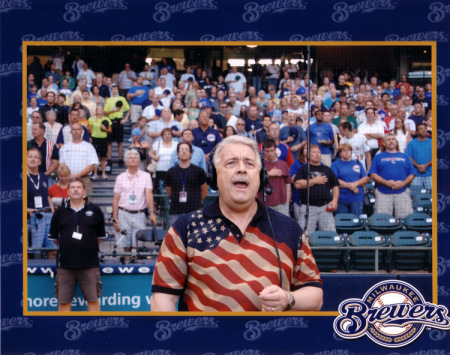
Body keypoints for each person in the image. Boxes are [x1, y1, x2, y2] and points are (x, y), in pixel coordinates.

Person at [151, 135, 323, 312]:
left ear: (261, 176)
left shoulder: (290, 229)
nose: (242, 169)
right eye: (231, 163)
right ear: (214, 175)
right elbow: (163, 300)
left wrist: (289, 298)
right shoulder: (184, 228)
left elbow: (315, 295)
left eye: (249, 164)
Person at [49, 178, 106, 311]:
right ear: (68, 191)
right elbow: (54, 238)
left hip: (89, 265)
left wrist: (86, 245)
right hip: (65, 265)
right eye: (72, 187)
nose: (75, 190)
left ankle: (95, 331)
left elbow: (99, 237)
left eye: (79, 187)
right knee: (63, 303)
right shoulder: (59, 212)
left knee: (93, 301)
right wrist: (69, 245)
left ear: (84, 191)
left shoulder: (95, 210)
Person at [112, 149, 158, 254]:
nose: (133, 159)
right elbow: (116, 198)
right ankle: (127, 265)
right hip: (123, 213)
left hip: (139, 214)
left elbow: (149, 195)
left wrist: (152, 212)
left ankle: (135, 264)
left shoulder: (146, 176)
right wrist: (115, 218)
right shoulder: (120, 178)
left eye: (135, 157)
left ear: (139, 161)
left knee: (137, 244)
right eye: (130, 158)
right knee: (126, 244)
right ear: (126, 161)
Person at [294, 145, 339, 237]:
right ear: (308, 155)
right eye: (314, 152)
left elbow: (335, 185)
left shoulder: (327, 169)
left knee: (330, 235)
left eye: (318, 152)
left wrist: (334, 200)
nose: (317, 154)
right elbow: (297, 184)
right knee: (303, 236)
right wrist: (314, 181)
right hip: (308, 208)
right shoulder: (303, 169)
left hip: (325, 208)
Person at [368, 133, 415, 218]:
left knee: (404, 219)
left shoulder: (405, 156)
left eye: (393, 139)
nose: (391, 141)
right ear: (384, 143)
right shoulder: (378, 157)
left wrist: (403, 183)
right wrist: (386, 183)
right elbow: (373, 174)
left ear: (396, 142)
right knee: (382, 220)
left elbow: (412, 174)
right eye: (388, 139)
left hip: (402, 191)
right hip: (383, 192)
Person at [165, 142, 209, 226]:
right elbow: (169, 191)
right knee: (176, 238)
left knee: (194, 238)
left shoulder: (199, 171)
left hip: (194, 211)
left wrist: (195, 201)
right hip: (175, 212)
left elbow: (204, 191)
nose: (184, 152)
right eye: (181, 150)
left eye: (186, 150)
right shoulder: (171, 171)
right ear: (177, 153)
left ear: (190, 153)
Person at [27, 148, 56, 259]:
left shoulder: (43, 176)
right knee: (35, 252)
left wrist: (52, 210)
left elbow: (47, 195)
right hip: (32, 217)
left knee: (52, 249)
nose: (33, 159)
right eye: (30, 156)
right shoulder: (22, 177)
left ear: (40, 161)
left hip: (48, 216)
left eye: (36, 157)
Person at [58, 123, 99, 195]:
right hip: (67, 180)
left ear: (82, 131)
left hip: (84, 179)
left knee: (86, 203)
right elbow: (62, 165)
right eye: (74, 129)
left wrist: (77, 175)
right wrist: (68, 176)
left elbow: (92, 165)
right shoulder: (65, 148)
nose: (76, 131)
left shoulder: (89, 147)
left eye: (78, 129)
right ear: (71, 132)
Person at [331, 143, 370, 216]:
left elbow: (365, 179)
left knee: (356, 221)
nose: (346, 152)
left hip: (357, 198)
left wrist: (355, 184)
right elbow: (334, 180)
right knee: (342, 221)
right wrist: (351, 187)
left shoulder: (357, 163)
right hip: (341, 198)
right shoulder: (335, 164)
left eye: (348, 150)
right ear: (339, 153)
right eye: (344, 150)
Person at [257, 139, 291, 216]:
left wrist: (287, 201)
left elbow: (288, 183)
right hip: (264, 203)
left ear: (275, 150)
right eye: (267, 151)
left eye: (272, 151)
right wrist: (269, 174)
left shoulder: (283, 164)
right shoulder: (259, 165)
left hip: (281, 203)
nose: (270, 153)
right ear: (263, 151)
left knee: (282, 226)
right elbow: (254, 180)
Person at [104, 84, 130, 167]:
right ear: (111, 90)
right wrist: (113, 111)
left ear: (118, 90)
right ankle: (109, 159)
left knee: (120, 142)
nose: (114, 90)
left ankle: (120, 159)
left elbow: (128, 109)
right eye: (113, 89)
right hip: (111, 121)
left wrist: (125, 119)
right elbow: (105, 113)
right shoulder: (108, 100)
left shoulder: (122, 99)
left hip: (119, 121)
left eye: (116, 89)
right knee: (110, 142)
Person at [405, 123, 432, 189]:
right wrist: (418, 166)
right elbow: (408, 157)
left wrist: (425, 166)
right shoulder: (411, 143)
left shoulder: (432, 142)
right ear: (417, 132)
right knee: (416, 195)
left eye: (425, 128)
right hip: (416, 174)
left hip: (430, 174)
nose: (423, 130)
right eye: (421, 129)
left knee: (432, 196)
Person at [88, 105, 112, 179]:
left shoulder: (106, 119)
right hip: (94, 138)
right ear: (95, 111)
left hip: (103, 139)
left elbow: (110, 130)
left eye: (101, 109)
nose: (99, 110)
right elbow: (88, 129)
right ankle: (95, 173)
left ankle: (103, 173)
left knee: (103, 157)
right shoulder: (91, 119)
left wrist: (105, 129)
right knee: (95, 157)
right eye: (98, 109)